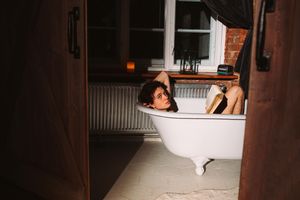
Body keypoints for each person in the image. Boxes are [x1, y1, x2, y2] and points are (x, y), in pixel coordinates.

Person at [138, 71, 244, 114]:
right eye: (159, 96)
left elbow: (164, 75)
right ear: (150, 104)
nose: (166, 97)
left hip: (208, 123)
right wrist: (146, 95)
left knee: (237, 90)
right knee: (236, 91)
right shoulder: (163, 114)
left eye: (164, 93)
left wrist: (151, 89)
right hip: (209, 130)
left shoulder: (168, 107)